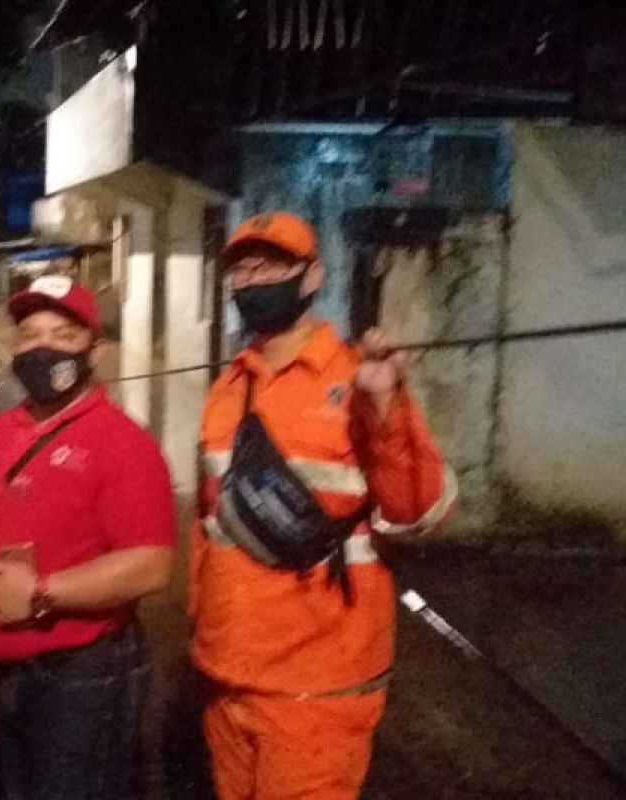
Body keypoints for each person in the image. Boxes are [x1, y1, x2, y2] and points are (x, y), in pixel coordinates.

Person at [191, 212, 457, 799]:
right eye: (243, 267)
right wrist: (200, 630)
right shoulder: (229, 386)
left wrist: (387, 406)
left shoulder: (361, 378)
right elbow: (208, 527)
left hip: (318, 687)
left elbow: (419, 512)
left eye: (273, 265)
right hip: (228, 677)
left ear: (312, 278)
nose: (254, 279)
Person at [0, 276, 176, 799]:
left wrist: (40, 592)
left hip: (83, 677)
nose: (43, 346)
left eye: (63, 333)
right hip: (13, 669)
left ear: (94, 349)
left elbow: (151, 564)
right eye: (29, 335)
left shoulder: (123, 444)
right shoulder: (3, 432)